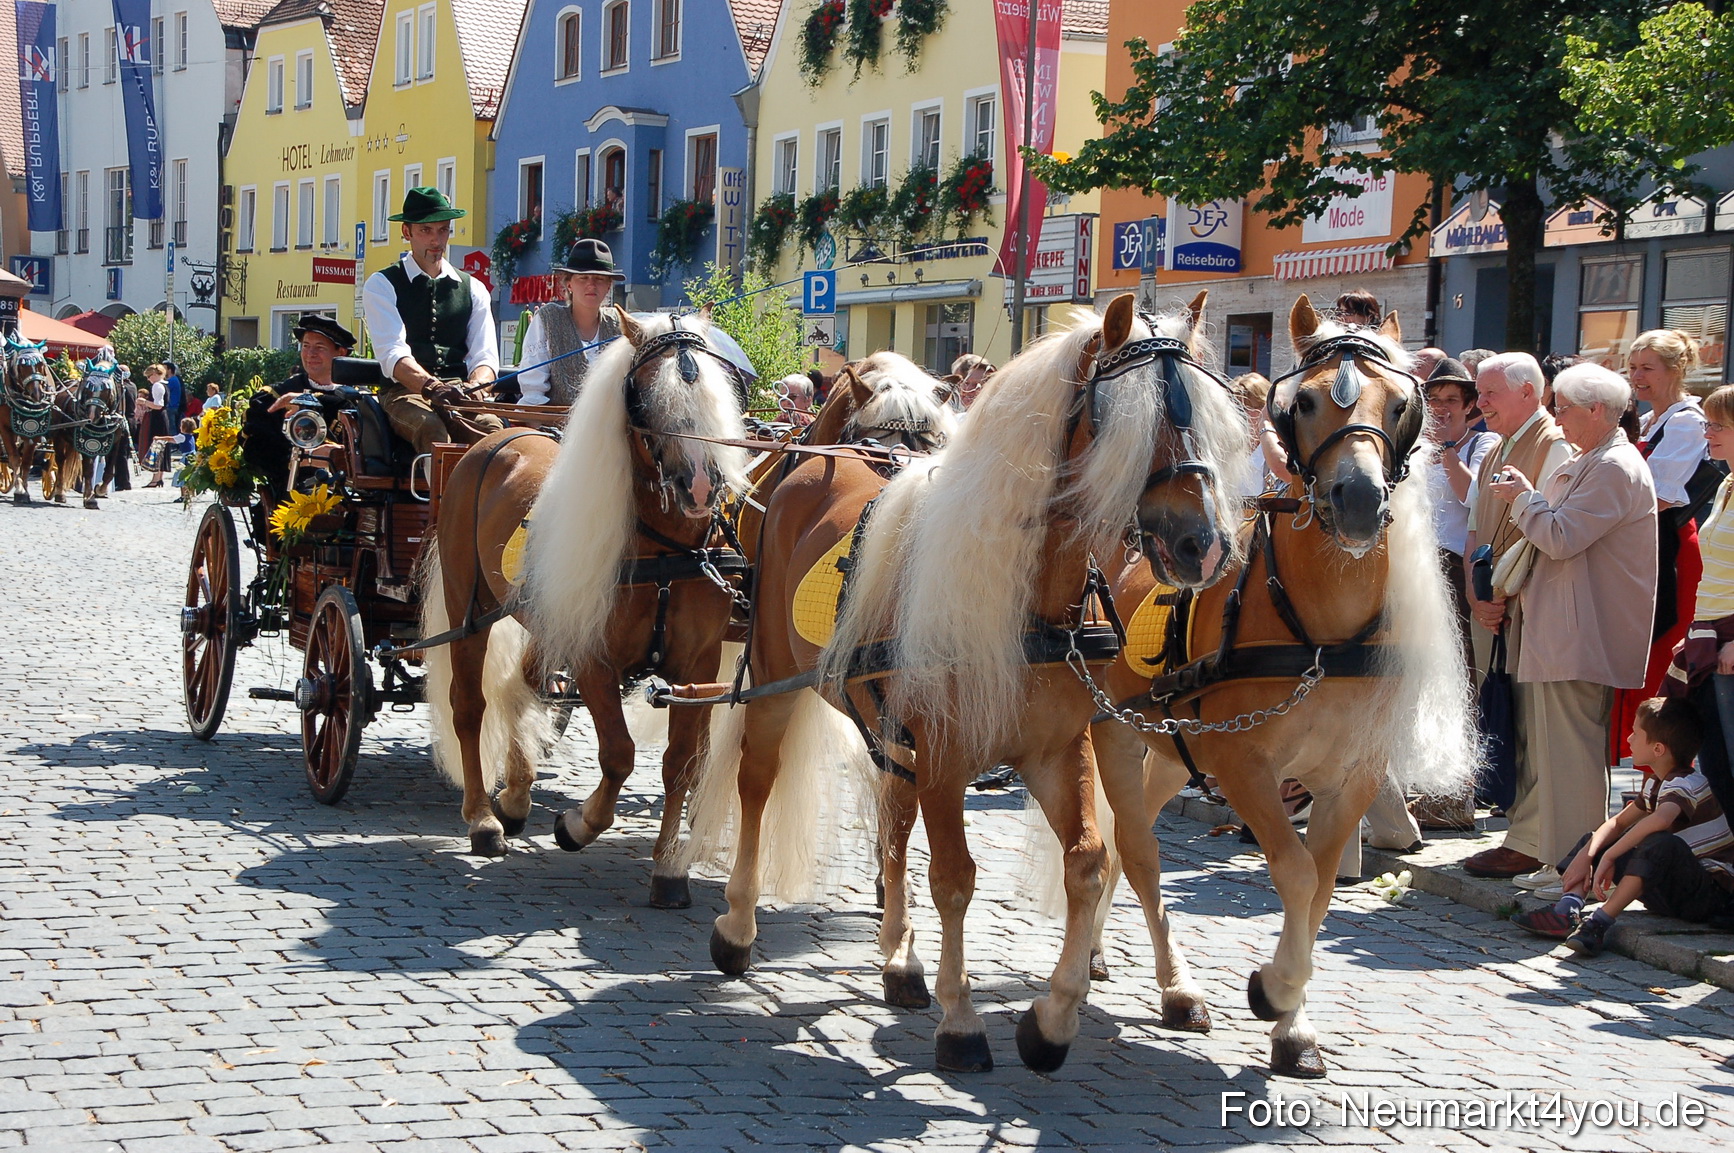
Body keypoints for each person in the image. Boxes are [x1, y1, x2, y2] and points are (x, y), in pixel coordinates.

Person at [1483, 363, 1659, 891]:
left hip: (1582, 635)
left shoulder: (1614, 466)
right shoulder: (1594, 459)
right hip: (1562, 631)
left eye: (1563, 408)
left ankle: (1573, 871)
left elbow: (1560, 538)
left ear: (1596, 410)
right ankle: (1560, 863)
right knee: (1555, 755)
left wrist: (1523, 496)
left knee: (1572, 756)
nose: (1556, 419)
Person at [1460, 354, 1574, 879]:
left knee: (1530, 724)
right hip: (1493, 603)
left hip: (1526, 606)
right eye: (1479, 393)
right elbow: (1474, 529)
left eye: (1490, 393)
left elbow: (1546, 531)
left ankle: (1531, 840)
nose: (1480, 403)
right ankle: (1517, 830)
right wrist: (1474, 591)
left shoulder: (1554, 446)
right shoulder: (1494, 448)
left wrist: (1498, 594)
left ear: (1529, 392)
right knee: (1504, 716)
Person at [1512, 698, 1733, 954]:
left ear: (1658, 748)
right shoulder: (1656, 784)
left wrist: (1611, 856)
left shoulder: (1687, 784)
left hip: (1708, 895)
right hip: (1671, 892)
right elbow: (1617, 822)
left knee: (1659, 843)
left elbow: (1661, 820)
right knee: (1594, 839)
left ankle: (1598, 923)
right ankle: (1566, 911)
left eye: (1636, 733)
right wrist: (1590, 854)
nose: (1629, 739)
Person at [1611, 330, 1713, 770]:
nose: (1637, 376)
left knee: (1662, 654)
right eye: (1633, 368)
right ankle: (1644, 770)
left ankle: (1662, 773)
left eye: (1647, 368)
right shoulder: (1652, 420)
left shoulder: (1687, 421)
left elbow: (1661, 495)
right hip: (1641, 543)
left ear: (1676, 370)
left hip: (1669, 549)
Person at [361, 186, 504, 455]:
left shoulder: (474, 288)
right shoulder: (381, 284)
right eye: (426, 230)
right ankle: (434, 484)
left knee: (491, 430)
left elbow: (485, 356)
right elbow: (393, 353)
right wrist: (432, 387)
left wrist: (477, 386)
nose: (436, 240)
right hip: (403, 393)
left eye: (443, 230)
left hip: (458, 392)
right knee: (431, 428)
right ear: (407, 232)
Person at [1660, 383, 1734, 825]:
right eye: (1708, 424)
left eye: (1719, 425)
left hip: (1730, 639)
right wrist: (1695, 633)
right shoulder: (1726, 482)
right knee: (1717, 764)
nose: (1708, 433)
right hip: (1711, 635)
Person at [242, 314, 359, 497]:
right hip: (295, 491)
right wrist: (305, 459)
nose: (310, 354)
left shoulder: (357, 397)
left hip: (354, 491)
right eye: (306, 346)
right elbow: (255, 447)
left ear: (341, 352)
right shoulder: (278, 395)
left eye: (319, 347)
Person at [516, 239, 625, 406]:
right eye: (583, 278)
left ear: (608, 286)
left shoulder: (620, 323)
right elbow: (533, 390)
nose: (591, 285)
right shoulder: (549, 319)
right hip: (553, 420)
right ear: (569, 284)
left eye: (599, 279)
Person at [146, 417, 196, 488]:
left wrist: (159, 438)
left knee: (181, 474)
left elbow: (171, 439)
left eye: (181, 425)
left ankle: (183, 490)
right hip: (193, 457)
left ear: (184, 428)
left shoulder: (182, 436)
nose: (180, 427)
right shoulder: (191, 436)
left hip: (186, 458)